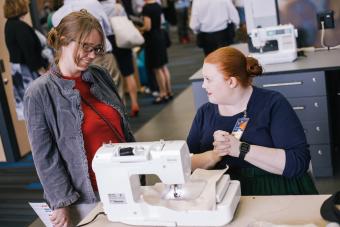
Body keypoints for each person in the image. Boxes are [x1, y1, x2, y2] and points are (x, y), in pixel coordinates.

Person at [23, 10, 135, 227]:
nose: (92, 55)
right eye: (86, 47)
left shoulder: (99, 75)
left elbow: (122, 128)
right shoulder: (39, 92)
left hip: (124, 182)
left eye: (97, 49)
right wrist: (60, 202)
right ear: (63, 41)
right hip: (86, 196)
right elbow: (45, 156)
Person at [187, 47, 318, 195]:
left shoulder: (273, 104)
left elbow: (298, 162)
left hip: (274, 189)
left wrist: (241, 149)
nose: (203, 85)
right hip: (223, 192)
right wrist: (214, 155)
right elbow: (185, 163)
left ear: (231, 82)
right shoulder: (205, 113)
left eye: (208, 79)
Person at [4, 0, 47, 120]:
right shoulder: (19, 26)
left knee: (33, 115)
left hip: (19, 72)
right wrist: (44, 73)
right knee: (41, 112)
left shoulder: (9, 25)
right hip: (28, 72)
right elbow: (29, 52)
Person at [99, 0, 140, 117]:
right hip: (122, 39)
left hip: (109, 41)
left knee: (115, 77)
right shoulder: (118, 7)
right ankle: (135, 103)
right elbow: (126, 21)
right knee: (129, 74)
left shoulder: (98, 8)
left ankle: (122, 106)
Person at [141, 0, 173, 104]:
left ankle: (162, 93)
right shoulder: (157, 5)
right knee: (164, 66)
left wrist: (140, 29)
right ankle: (169, 92)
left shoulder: (146, 8)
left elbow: (148, 26)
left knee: (157, 69)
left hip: (152, 39)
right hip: (160, 35)